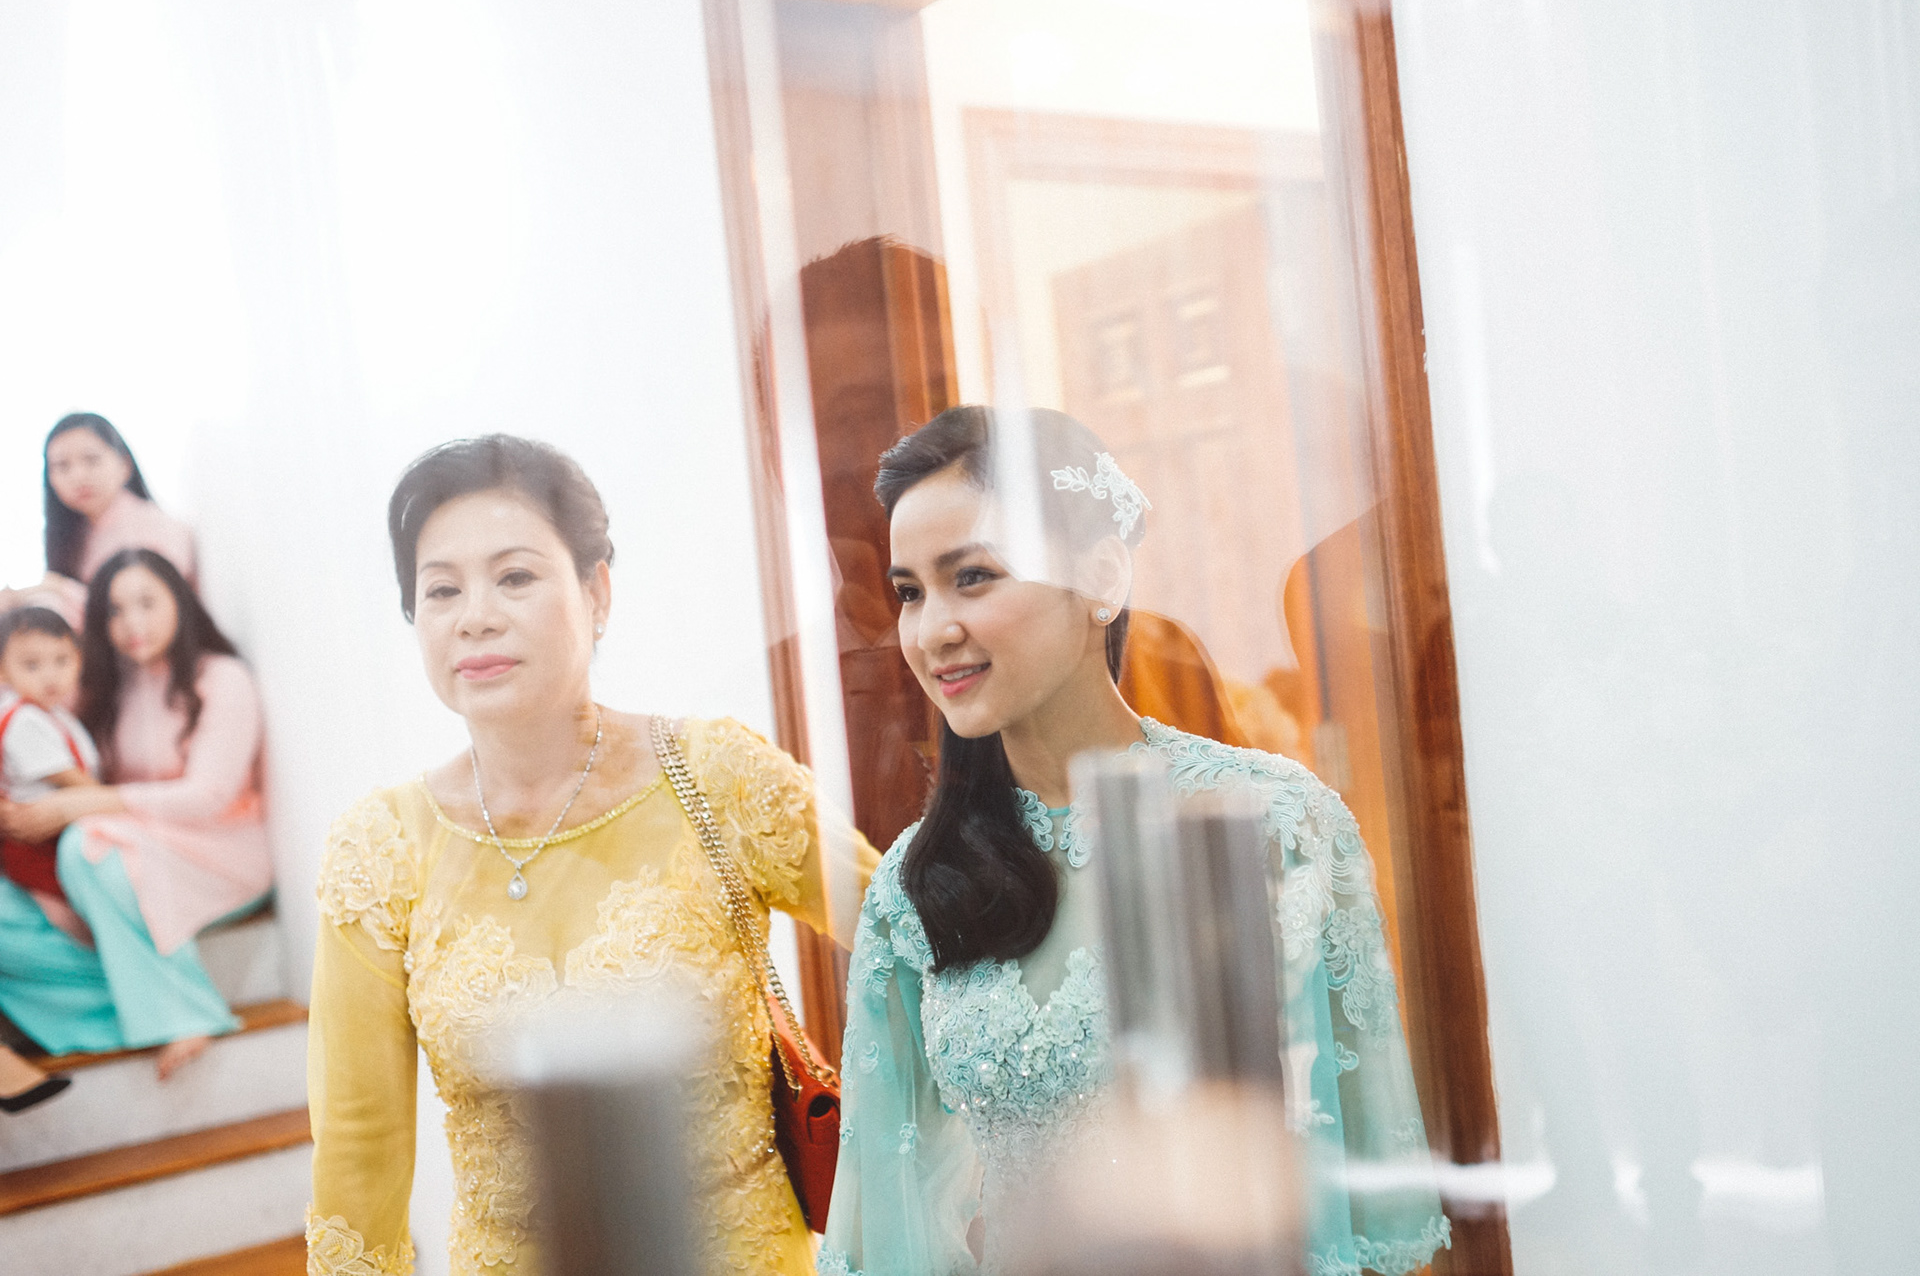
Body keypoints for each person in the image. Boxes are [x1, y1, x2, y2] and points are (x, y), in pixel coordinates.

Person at [821, 406, 1450, 1276]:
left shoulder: (1271, 822)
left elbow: (1361, 1190)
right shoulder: (911, 886)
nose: (933, 631)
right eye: (910, 593)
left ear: (1102, 575)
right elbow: (889, 1229)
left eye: (973, 576)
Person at [306, 435, 879, 1276]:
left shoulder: (714, 776)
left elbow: (913, 943)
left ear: (596, 591)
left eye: (515, 576)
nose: (475, 616)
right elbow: (358, 1153)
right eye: (442, 589)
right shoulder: (381, 848)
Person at [0, 549, 272, 1081]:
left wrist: (84, 803)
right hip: (130, 842)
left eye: (147, 602)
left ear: (180, 600)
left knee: (88, 847)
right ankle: (129, 1008)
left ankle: (181, 1012)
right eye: (114, 611)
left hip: (220, 849)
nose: (132, 624)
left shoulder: (222, 678)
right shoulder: (104, 689)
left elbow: (208, 797)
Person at [1, 413, 197, 628]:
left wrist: (55, 588)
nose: (78, 476)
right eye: (62, 466)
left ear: (124, 464)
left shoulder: (157, 527)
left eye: (91, 460)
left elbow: (144, 612)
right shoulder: (77, 532)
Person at [0, 607, 101, 941]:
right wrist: (117, 801)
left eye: (62, 661)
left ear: (78, 660)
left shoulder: (52, 713)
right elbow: (70, 778)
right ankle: (83, 942)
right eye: (32, 665)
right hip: (37, 842)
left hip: (56, 829)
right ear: (3, 671)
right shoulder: (24, 720)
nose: (50, 676)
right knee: (67, 909)